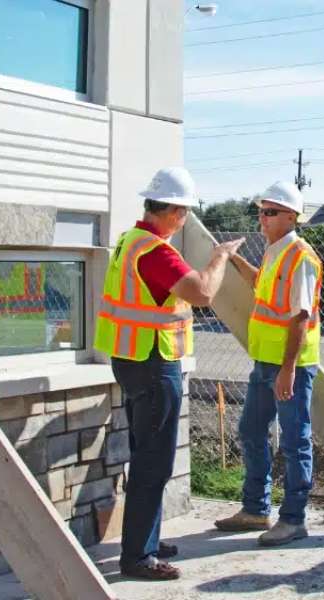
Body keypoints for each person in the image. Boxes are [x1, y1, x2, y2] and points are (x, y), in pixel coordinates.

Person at [94, 167, 244, 580]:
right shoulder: (157, 251)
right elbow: (202, 292)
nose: (183, 221)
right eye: (184, 213)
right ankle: (139, 558)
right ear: (174, 211)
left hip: (132, 359)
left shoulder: (131, 240)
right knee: (154, 462)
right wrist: (220, 257)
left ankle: (148, 540)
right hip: (153, 363)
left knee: (147, 453)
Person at [213, 181, 324, 547]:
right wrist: (232, 259)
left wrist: (289, 369)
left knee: (295, 442)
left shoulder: (301, 257)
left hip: (288, 366)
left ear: (292, 217)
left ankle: (293, 520)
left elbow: (300, 317)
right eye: (261, 211)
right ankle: (256, 509)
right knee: (250, 430)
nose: (263, 217)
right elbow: (261, 284)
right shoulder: (275, 252)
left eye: (271, 212)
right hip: (264, 363)